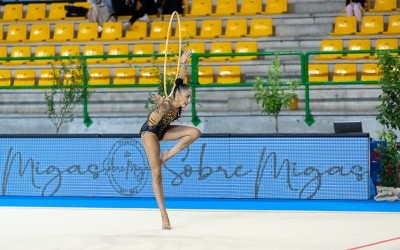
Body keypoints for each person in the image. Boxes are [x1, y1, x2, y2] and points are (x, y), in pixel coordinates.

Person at [140, 49, 201, 230]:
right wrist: (160, 104)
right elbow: (160, 111)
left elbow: (179, 80)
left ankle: (166, 156)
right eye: (187, 97)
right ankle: (164, 216)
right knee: (157, 174)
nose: (188, 100)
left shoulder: (177, 93)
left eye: (189, 97)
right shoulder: (168, 103)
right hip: (150, 132)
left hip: (164, 130)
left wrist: (183, 62)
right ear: (177, 96)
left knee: (195, 132)